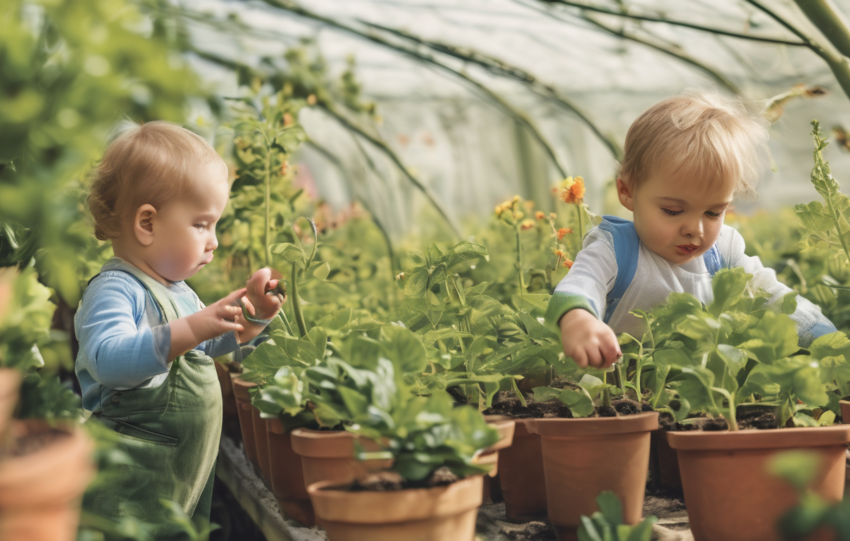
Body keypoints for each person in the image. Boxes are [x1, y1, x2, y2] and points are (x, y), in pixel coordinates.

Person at [75, 121, 284, 536]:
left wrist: (255, 315)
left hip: (181, 476)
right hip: (132, 483)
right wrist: (193, 326)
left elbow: (207, 344)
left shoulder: (177, 290)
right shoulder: (116, 290)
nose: (215, 241)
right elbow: (108, 361)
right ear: (147, 224)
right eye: (202, 224)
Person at [544, 91, 836, 369]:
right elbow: (580, 286)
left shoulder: (723, 251)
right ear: (627, 191)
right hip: (618, 389)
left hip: (699, 392)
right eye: (673, 211)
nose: (695, 230)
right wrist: (579, 320)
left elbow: (772, 294)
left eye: (714, 212)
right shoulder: (615, 250)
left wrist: (822, 334)